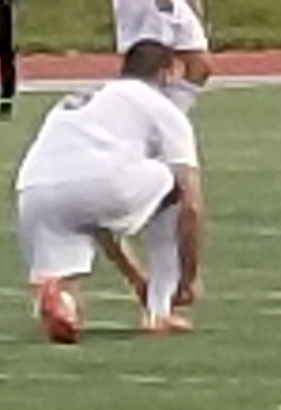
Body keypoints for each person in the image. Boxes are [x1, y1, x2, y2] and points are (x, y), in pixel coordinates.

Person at [15, 40, 205, 345]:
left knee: (63, 278)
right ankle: (160, 310)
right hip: (101, 183)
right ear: (167, 73)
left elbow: (100, 221)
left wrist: (137, 279)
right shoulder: (162, 108)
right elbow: (192, 204)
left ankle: (62, 301)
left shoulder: (82, 98)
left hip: (35, 189)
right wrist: (189, 277)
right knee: (174, 187)